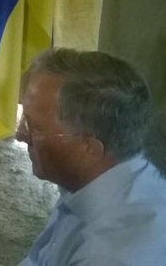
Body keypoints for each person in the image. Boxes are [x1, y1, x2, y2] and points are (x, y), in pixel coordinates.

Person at [16, 48, 166, 265]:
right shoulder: (96, 179)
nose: (20, 135)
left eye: (34, 128)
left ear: (89, 148)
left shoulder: (112, 255)